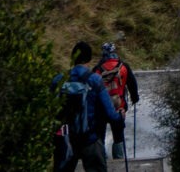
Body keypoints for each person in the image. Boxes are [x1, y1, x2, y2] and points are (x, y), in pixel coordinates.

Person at [53, 42, 124, 172]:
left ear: (73, 58)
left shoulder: (59, 79)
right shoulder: (95, 80)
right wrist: (120, 115)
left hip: (66, 139)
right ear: (90, 59)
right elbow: (111, 114)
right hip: (90, 139)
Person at [94, 41, 140, 162]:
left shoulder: (97, 69)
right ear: (114, 52)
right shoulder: (123, 66)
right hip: (119, 106)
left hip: (101, 108)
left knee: (100, 134)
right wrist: (135, 98)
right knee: (118, 134)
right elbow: (132, 85)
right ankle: (119, 160)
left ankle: (102, 159)